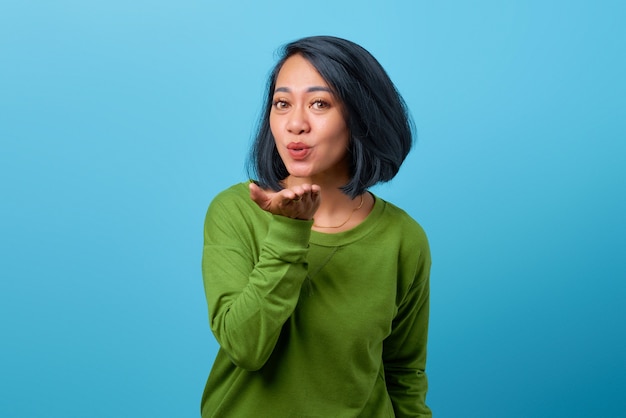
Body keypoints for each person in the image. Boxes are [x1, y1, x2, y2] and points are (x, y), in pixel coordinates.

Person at [201, 35, 432, 417]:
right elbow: (245, 347)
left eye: (319, 103)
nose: (295, 124)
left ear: (360, 116)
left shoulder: (403, 239)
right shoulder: (234, 212)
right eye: (282, 103)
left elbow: (404, 373)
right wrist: (290, 232)